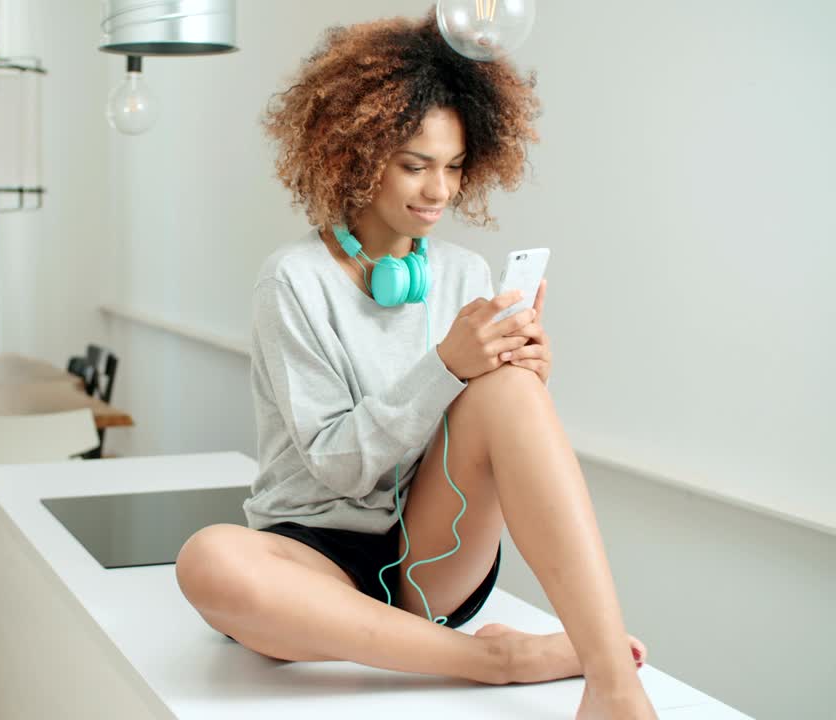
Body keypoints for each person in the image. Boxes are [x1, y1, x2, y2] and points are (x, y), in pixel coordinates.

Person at [175, 11, 657, 719]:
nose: (440, 192)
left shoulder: (465, 275)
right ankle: (496, 659)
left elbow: (481, 436)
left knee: (513, 390)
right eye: (415, 165)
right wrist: (446, 366)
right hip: (311, 561)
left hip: (431, 551)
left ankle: (613, 684)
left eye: (454, 167)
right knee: (209, 559)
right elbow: (338, 468)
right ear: (356, 154)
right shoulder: (293, 281)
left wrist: (520, 377)